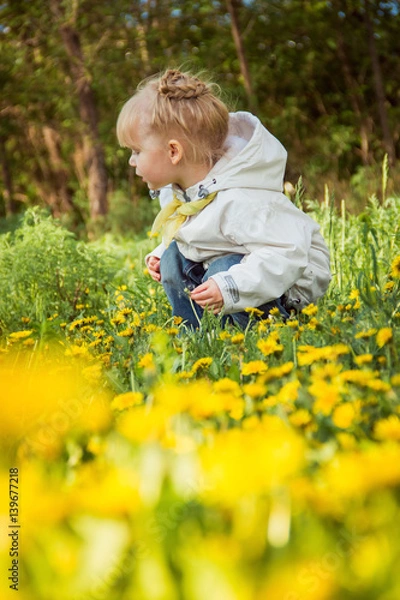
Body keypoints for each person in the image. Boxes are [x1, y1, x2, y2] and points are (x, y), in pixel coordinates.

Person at [116, 69, 331, 328]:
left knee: (225, 268)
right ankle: (193, 334)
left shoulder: (241, 198)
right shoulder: (180, 192)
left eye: (137, 151)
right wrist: (161, 253)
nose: (131, 161)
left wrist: (228, 284)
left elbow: (287, 252)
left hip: (286, 284)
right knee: (173, 257)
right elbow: (203, 232)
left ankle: (263, 333)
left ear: (173, 151)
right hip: (233, 269)